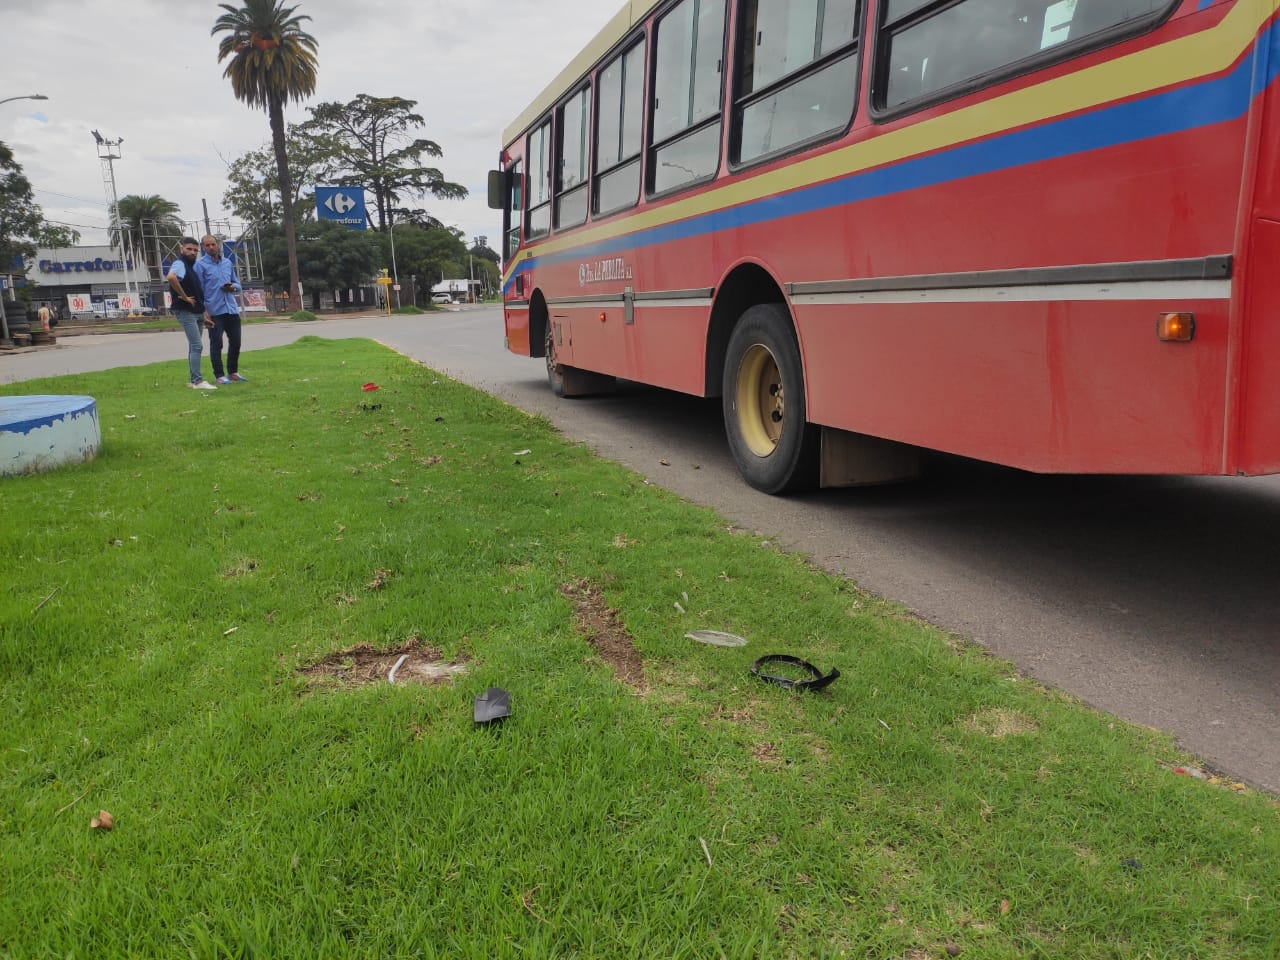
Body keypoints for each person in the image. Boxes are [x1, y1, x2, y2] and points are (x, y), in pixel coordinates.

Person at [196, 234, 247, 384]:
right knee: (216, 343)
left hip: (231, 309)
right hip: (214, 311)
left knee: (236, 342)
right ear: (203, 248)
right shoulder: (200, 265)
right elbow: (198, 291)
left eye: (213, 244)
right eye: (208, 245)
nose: (211, 247)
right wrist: (204, 312)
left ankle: (233, 372)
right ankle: (219, 375)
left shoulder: (227, 263)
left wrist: (233, 287)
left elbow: (237, 284)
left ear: (218, 245)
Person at [166, 237, 216, 390]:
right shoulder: (180, 264)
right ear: (181, 249)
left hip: (196, 312)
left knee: (194, 347)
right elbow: (171, 277)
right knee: (197, 346)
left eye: (195, 250)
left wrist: (203, 315)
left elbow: (196, 291)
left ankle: (195, 379)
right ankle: (197, 381)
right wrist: (184, 296)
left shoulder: (191, 267)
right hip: (186, 311)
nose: (193, 252)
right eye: (189, 249)